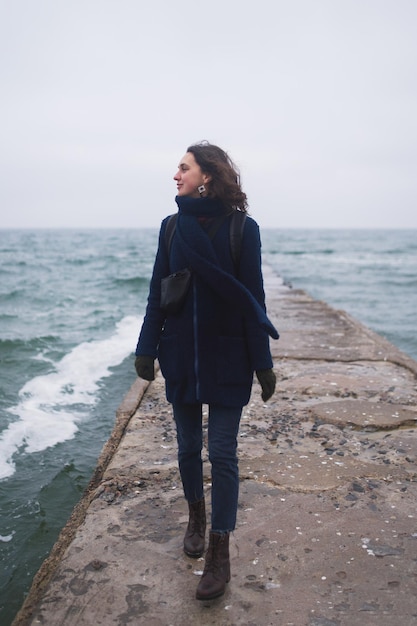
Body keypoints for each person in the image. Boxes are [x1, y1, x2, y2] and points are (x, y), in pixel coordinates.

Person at [134, 141, 278, 600]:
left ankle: (220, 552)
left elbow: (253, 298)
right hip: (180, 355)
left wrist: (263, 362)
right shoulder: (170, 228)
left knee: (223, 453)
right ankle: (196, 515)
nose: (176, 176)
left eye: (183, 168)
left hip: (228, 356)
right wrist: (146, 347)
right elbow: (159, 291)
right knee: (188, 448)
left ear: (207, 176)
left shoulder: (242, 229)